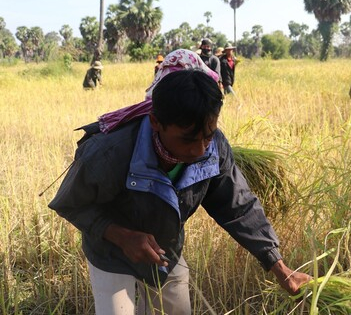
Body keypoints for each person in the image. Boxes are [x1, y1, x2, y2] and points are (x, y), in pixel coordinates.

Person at [49, 50, 310, 314]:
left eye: (207, 136)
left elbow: (238, 206)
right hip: (110, 253)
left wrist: (278, 265)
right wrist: (122, 236)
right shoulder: (110, 152)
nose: (199, 150)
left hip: (166, 252)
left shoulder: (214, 148)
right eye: (187, 139)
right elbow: (69, 204)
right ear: (156, 123)